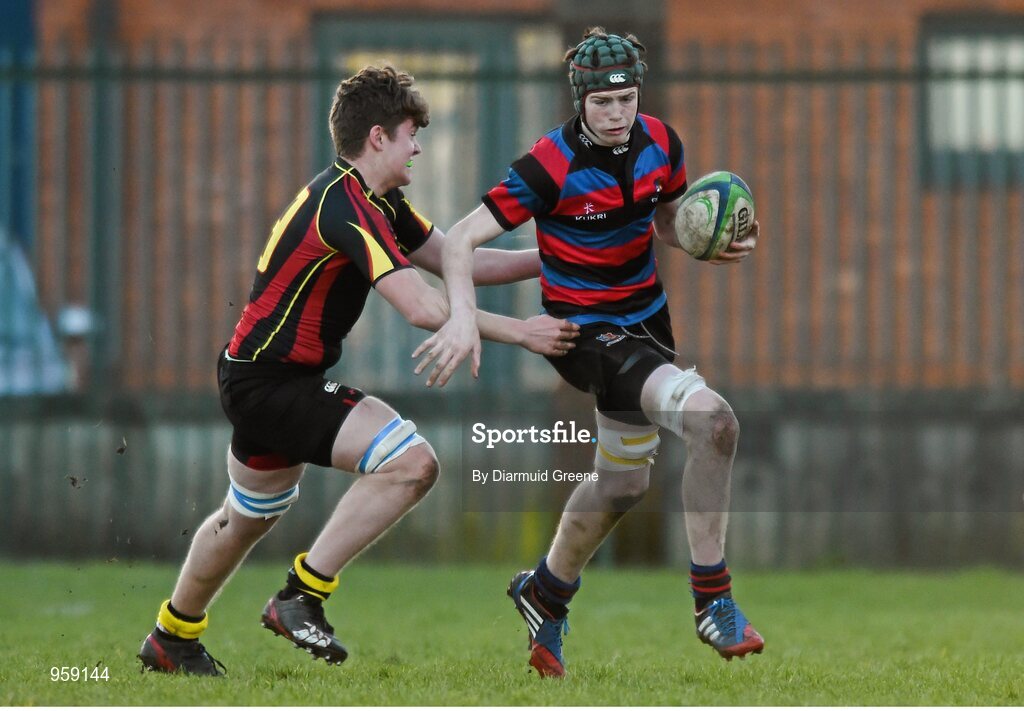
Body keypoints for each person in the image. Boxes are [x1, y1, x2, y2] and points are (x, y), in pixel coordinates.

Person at [137, 64, 579, 676]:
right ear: (378, 138)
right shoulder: (343, 206)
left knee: (244, 518)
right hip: (273, 384)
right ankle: (302, 596)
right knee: (412, 464)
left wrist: (570, 252)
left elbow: (464, 261)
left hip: (252, 376)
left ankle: (171, 637)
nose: (418, 146)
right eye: (409, 134)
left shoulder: (376, 200)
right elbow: (422, 306)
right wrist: (522, 333)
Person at [415, 28, 764, 678]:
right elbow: (459, 240)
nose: (616, 114)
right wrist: (465, 318)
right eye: (602, 103)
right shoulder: (550, 163)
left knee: (624, 483)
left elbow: (663, 217)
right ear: (580, 101)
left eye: (626, 99)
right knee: (715, 421)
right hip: (582, 332)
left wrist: (703, 235)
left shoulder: (663, 142)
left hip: (647, 322)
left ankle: (545, 591)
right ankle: (712, 598)